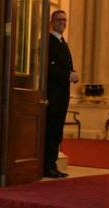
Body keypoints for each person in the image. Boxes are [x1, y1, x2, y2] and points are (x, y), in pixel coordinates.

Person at [44, 10, 78, 178]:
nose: (62, 23)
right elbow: (48, 68)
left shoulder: (62, 41)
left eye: (64, 20)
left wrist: (73, 73)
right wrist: (67, 75)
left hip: (62, 93)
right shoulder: (49, 42)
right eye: (59, 20)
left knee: (57, 130)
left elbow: (65, 65)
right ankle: (47, 166)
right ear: (52, 21)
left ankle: (52, 164)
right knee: (50, 130)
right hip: (53, 93)